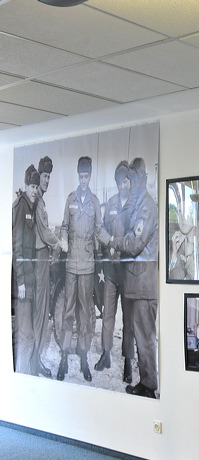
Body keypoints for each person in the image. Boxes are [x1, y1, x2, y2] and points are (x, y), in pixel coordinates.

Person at [103, 158, 159, 398]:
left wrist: (114, 242)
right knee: (141, 335)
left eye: (134, 180)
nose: (131, 184)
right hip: (137, 281)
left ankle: (149, 385)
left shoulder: (146, 206)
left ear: (143, 180)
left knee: (145, 338)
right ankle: (145, 382)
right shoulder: (139, 205)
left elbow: (135, 242)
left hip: (143, 283)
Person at [57, 156, 102, 382]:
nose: (83, 180)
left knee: (85, 314)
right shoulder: (70, 199)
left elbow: (99, 230)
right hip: (71, 264)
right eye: (80, 176)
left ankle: (83, 356)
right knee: (68, 311)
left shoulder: (94, 202)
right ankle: (64, 355)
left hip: (87, 266)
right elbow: (64, 226)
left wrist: (113, 241)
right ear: (77, 175)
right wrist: (63, 239)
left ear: (90, 176)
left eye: (86, 176)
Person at [95, 161, 136, 383]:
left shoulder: (135, 205)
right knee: (107, 315)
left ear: (130, 182)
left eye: (126, 180)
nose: (123, 184)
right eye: (119, 181)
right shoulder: (110, 204)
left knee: (128, 319)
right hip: (111, 271)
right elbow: (100, 230)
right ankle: (106, 354)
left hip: (127, 271)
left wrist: (117, 243)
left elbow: (136, 237)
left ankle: (128, 360)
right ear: (116, 183)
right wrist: (107, 241)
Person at [12, 165, 51, 377]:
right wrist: (20, 282)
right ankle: (24, 376)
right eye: (32, 186)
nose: (35, 190)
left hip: (29, 280)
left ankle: (29, 371)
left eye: (37, 186)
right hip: (23, 282)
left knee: (28, 333)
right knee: (25, 335)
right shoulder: (20, 207)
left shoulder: (32, 206)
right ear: (26, 185)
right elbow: (17, 248)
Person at [30, 156, 62, 376]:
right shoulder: (37, 201)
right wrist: (59, 243)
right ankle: (34, 361)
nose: (47, 180)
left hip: (41, 259)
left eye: (49, 176)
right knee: (40, 311)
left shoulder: (40, 200)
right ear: (38, 176)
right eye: (44, 176)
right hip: (39, 259)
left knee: (41, 310)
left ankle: (35, 358)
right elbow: (43, 231)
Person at [168, 185, 199, 281]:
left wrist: (189, 258)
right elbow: (175, 281)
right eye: (179, 212)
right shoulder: (178, 240)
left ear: (193, 213)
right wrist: (174, 254)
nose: (182, 218)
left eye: (185, 212)